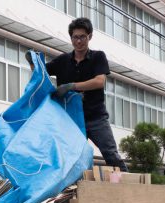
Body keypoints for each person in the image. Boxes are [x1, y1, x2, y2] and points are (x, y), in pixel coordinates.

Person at [25, 17, 128, 172]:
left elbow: (100, 81)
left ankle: (125, 189)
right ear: (71, 38)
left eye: (82, 37)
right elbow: (40, 72)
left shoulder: (98, 57)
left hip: (96, 118)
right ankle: (74, 192)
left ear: (90, 36)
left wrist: (72, 86)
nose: (78, 41)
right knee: (72, 158)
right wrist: (32, 61)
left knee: (111, 155)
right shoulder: (62, 61)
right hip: (71, 120)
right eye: (75, 37)